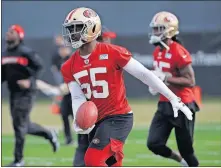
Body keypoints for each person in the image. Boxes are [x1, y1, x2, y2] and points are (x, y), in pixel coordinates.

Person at [60, 7, 193, 167]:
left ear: (92, 28)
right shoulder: (68, 65)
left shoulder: (113, 52)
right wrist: (78, 118)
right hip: (96, 120)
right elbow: (77, 96)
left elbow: (145, 75)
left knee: (92, 159)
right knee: (111, 162)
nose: (72, 34)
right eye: (70, 29)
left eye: (77, 28)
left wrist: (172, 98)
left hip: (118, 117)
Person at [36, 26, 117, 166]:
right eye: (107, 39)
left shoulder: (110, 56)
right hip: (90, 109)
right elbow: (71, 84)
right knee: (85, 149)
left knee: (103, 154)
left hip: (104, 114)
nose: (109, 42)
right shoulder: (80, 59)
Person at [1, 24, 59, 167]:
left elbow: (39, 67)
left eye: (12, 32)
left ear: (19, 36)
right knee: (22, 125)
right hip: (14, 92)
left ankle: (18, 160)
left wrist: (30, 80)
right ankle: (49, 134)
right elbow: (3, 74)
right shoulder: (5, 54)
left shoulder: (25, 52)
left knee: (19, 126)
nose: (8, 33)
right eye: (8, 31)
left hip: (26, 93)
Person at [146, 11, 200, 167]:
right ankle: (179, 160)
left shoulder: (178, 51)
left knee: (187, 151)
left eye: (159, 28)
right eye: (155, 29)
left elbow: (190, 81)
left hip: (183, 105)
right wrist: (156, 84)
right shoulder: (157, 51)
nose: (155, 32)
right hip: (164, 104)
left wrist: (165, 78)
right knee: (154, 143)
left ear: (170, 30)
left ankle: (188, 162)